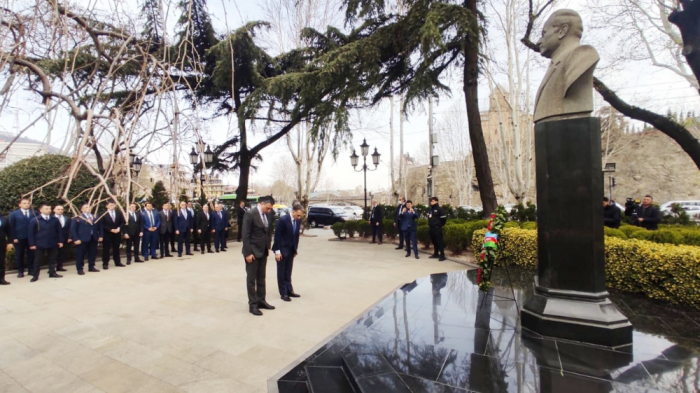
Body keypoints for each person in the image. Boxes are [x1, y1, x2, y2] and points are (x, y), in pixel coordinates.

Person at [241, 195, 276, 316]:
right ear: (261, 203)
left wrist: (268, 247)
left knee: (261, 278)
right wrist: (248, 253)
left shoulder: (268, 214)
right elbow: (245, 235)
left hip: (263, 251)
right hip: (252, 252)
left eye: (270, 208)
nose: (269, 210)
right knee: (251, 280)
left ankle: (261, 300)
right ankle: (253, 305)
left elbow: (268, 231)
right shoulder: (250, 214)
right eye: (267, 208)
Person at [273, 205, 303, 302]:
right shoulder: (283, 220)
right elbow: (277, 237)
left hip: (291, 250)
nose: (299, 217)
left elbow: (296, 236)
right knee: (281, 272)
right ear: (293, 212)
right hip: (281, 250)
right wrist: (277, 252)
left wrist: (295, 249)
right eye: (298, 215)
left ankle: (289, 290)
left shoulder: (298, 220)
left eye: (300, 216)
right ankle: (283, 293)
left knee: (288, 271)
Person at [28, 204, 64, 281]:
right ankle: (35, 276)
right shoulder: (35, 220)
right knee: (37, 260)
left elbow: (59, 231)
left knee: (52, 259)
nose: (48, 210)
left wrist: (60, 241)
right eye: (46, 208)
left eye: (49, 208)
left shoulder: (54, 219)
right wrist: (32, 244)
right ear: (41, 210)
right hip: (39, 243)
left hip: (52, 242)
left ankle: (52, 273)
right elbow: (30, 233)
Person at [71, 203, 102, 275]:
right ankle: (80, 268)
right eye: (86, 207)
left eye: (89, 207)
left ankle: (91, 266)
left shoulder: (94, 217)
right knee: (80, 254)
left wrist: (100, 236)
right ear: (82, 209)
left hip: (93, 238)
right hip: (82, 239)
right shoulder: (78, 217)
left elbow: (99, 227)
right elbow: (73, 229)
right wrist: (76, 239)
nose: (88, 208)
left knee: (92, 253)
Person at [9, 198, 34, 278]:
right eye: (24, 203)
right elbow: (11, 227)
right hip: (19, 238)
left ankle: (31, 270)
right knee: (20, 255)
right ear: (19, 204)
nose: (26, 204)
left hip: (31, 238)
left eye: (28, 203)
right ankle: (20, 271)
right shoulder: (14, 214)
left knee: (31, 254)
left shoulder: (34, 213)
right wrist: (14, 237)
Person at [100, 200, 126, 269]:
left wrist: (119, 228)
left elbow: (122, 222)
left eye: (113, 205)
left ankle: (117, 262)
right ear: (107, 206)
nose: (112, 206)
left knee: (116, 248)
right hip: (107, 234)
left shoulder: (118, 213)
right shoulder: (103, 213)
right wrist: (110, 230)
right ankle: (105, 263)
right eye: (111, 205)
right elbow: (102, 224)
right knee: (106, 249)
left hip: (117, 233)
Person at [428, 197, 447, 261]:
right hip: (431, 227)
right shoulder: (431, 209)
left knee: (439, 242)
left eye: (433, 201)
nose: (431, 202)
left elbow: (443, 219)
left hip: (437, 228)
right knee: (434, 241)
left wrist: (440, 225)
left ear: (436, 201)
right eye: (431, 201)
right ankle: (436, 253)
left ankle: (442, 255)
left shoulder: (440, 209)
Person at [54, 205, 71, 272]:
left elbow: (70, 228)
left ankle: (60, 266)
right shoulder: (51, 218)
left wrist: (70, 237)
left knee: (62, 253)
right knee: (54, 254)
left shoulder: (67, 218)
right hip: (54, 238)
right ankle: (52, 268)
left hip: (64, 238)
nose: (60, 210)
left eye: (62, 209)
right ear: (54, 210)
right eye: (58, 209)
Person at [0, 213, 10, 285]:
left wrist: (10, 242)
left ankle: (1, 279)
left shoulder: (4, 219)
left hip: (2, 243)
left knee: (1, 261)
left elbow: (9, 231)